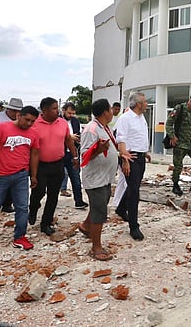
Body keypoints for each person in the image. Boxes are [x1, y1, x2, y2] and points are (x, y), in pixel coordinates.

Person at [0, 105, 40, 250]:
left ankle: (20, 236)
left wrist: (33, 175)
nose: (29, 123)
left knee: (22, 207)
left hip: (21, 175)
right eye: (27, 120)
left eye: (33, 121)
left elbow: (34, 154)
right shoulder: (2, 128)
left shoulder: (33, 133)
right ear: (19, 116)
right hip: (0, 176)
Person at [29, 97, 78, 236]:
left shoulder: (62, 123)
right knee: (38, 192)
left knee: (53, 194)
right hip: (40, 166)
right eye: (54, 108)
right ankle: (33, 209)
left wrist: (75, 157)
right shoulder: (34, 124)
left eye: (57, 108)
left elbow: (68, 140)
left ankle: (46, 222)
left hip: (58, 164)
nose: (57, 111)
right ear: (44, 110)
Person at [77, 99, 118, 260]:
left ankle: (86, 226)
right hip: (96, 178)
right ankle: (96, 247)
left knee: (99, 204)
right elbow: (85, 155)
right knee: (99, 210)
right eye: (110, 109)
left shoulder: (105, 127)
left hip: (105, 177)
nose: (113, 112)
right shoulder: (91, 129)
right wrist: (99, 150)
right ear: (105, 112)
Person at [114, 92, 151, 241]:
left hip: (140, 156)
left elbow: (138, 137)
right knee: (134, 191)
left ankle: (121, 208)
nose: (147, 104)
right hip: (130, 157)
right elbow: (121, 139)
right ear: (138, 104)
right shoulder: (125, 118)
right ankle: (134, 226)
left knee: (133, 186)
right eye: (145, 102)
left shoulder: (141, 117)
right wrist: (125, 160)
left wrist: (145, 152)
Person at [165, 93, 191, 195]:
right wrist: (172, 136)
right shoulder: (180, 108)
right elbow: (169, 123)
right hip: (180, 143)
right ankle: (175, 185)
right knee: (178, 165)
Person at [60, 102, 88, 209]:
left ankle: (79, 201)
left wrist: (78, 138)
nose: (71, 115)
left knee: (76, 178)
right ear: (63, 110)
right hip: (60, 153)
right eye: (69, 113)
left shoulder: (75, 121)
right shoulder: (58, 121)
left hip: (72, 153)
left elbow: (79, 133)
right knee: (56, 179)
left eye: (72, 113)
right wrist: (68, 137)